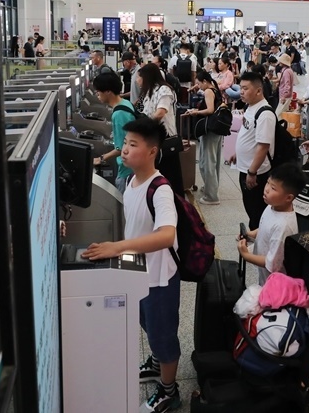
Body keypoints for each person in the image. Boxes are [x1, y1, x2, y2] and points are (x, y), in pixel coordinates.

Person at [81, 118, 182, 413]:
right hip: (139, 272)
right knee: (148, 324)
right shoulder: (131, 182)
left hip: (160, 278)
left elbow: (167, 235)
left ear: (152, 151)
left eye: (133, 144)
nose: (124, 150)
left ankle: (169, 391)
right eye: (125, 143)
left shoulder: (160, 189)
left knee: (163, 335)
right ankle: (156, 362)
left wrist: (118, 247)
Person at [237, 163, 304, 285]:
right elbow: (265, 226)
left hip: (274, 283)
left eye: (273, 188)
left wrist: (246, 255)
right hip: (264, 274)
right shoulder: (272, 206)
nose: (266, 189)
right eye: (268, 183)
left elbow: (272, 264)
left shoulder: (283, 227)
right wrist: (250, 234)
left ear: (288, 198)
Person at [229, 72, 276, 230]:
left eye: (245, 88)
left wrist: (252, 172)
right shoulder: (250, 107)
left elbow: (263, 147)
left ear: (258, 90)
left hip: (256, 173)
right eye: (240, 88)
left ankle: (257, 238)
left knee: (256, 210)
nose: (241, 92)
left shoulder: (265, 114)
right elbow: (248, 134)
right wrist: (237, 153)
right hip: (246, 167)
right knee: (250, 206)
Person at [137, 63, 185, 197]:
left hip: (166, 140)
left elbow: (160, 112)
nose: (137, 80)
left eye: (139, 77)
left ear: (147, 77)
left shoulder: (164, 90)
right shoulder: (149, 92)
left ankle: (176, 204)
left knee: (170, 177)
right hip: (154, 139)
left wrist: (144, 125)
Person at [91, 72, 136, 193]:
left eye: (98, 91)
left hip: (126, 171)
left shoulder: (118, 114)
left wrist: (101, 158)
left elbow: (121, 148)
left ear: (108, 92)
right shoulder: (125, 103)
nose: (97, 95)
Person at [185, 71, 224, 206]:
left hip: (209, 130)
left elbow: (210, 110)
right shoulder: (215, 89)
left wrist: (196, 112)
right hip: (216, 129)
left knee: (207, 162)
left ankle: (211, 196)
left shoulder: (208, 91)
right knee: (214, 161)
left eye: (199, 83)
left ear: (205, 82)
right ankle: (210, 187)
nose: (199, 86)